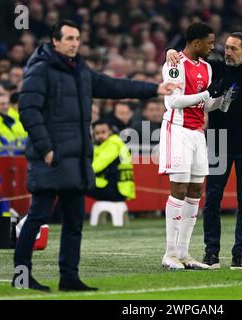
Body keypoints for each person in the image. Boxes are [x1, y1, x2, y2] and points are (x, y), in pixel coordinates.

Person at [14, 20, 177, 292]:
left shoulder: (81, 70)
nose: (74, 43)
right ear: (55, 41)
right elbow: (28, 111)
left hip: (77, 161)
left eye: (77, 38)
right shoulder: (40, 70)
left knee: (74, 222)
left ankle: (69, 278)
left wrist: (154, 89)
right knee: (36, 218)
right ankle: (21, 276)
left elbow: (114, 86)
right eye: (68, 38)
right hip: (51, 159)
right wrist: (46, 149)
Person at [167, 31, 242, 270]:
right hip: (217, 141)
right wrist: (170, 52)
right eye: (226, 47)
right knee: (212, 198)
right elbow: (188, 58)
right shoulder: (214, 67)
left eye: (234, 49)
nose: (228, 52)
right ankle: (211, 253)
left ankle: (238, 254)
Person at [159, 22, 226, 271]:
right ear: (196, 43)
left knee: (196, 190)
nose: (212, 47)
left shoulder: (206, 68)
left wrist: (221, 99)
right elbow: (173, 100)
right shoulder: (175, 64)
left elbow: (204, 105)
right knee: (178, 188)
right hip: (177, 130)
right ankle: (169, 253)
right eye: (209, 43)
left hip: (198, 133)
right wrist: (205, 95)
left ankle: (184, 253)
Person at [87, 119, 135, 202]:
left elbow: (96, 167)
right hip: (120, 188)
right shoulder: (104, 145)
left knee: (77, 184)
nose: (100, 136)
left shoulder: (114, 144)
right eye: (97, 133)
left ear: (110, 132)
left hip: (117, 189)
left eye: (103, 132)